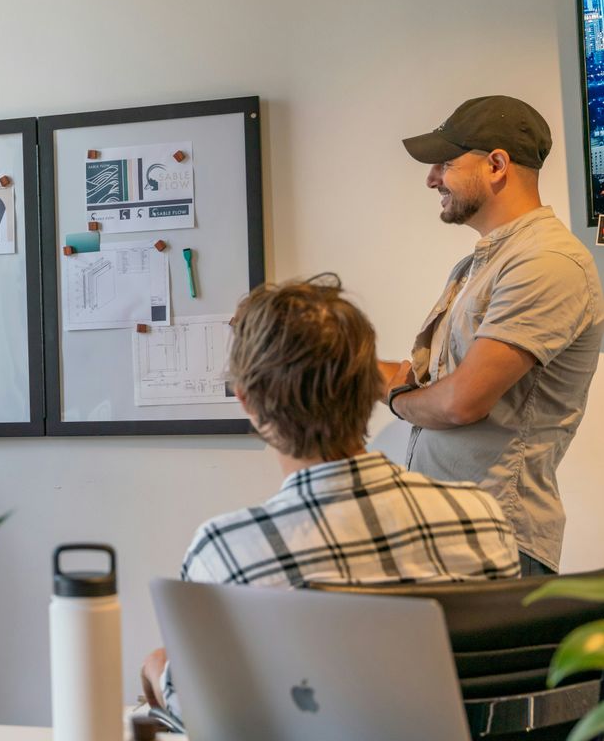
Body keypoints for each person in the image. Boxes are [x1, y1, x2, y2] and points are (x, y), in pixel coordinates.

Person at [142, 276, 520, 720]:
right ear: (370, 389)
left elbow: (205, 713)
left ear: (248, 402)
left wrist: (157, 667)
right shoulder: (481, 520)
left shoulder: (225, 551)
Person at [381, 96, 604, 575]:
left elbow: (462, 401)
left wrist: (398, 399)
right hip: (453, 538)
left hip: (494, 543)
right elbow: (433, 386)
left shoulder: (546, 263)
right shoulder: (483, 264)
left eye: (444, 164)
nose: (431, 179)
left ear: (497, 164)